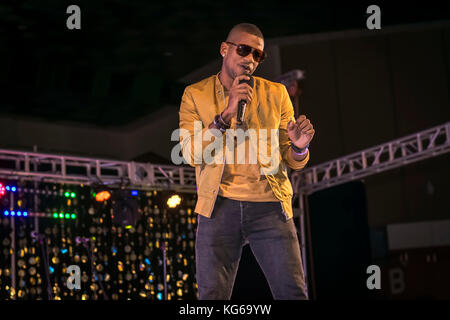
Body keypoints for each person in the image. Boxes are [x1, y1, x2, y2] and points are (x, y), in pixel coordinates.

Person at [178, 23, 315, 300]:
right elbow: (191, 153)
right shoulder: (195, 95)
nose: (250, 59)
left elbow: (293, 159)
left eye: (258, 55)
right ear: (224, 49)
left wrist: (300, 148)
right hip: (218, 206)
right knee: (211, 297)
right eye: (243, 50)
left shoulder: (276, 94)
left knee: (293, 293)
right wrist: (225, 115)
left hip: (270, 206)